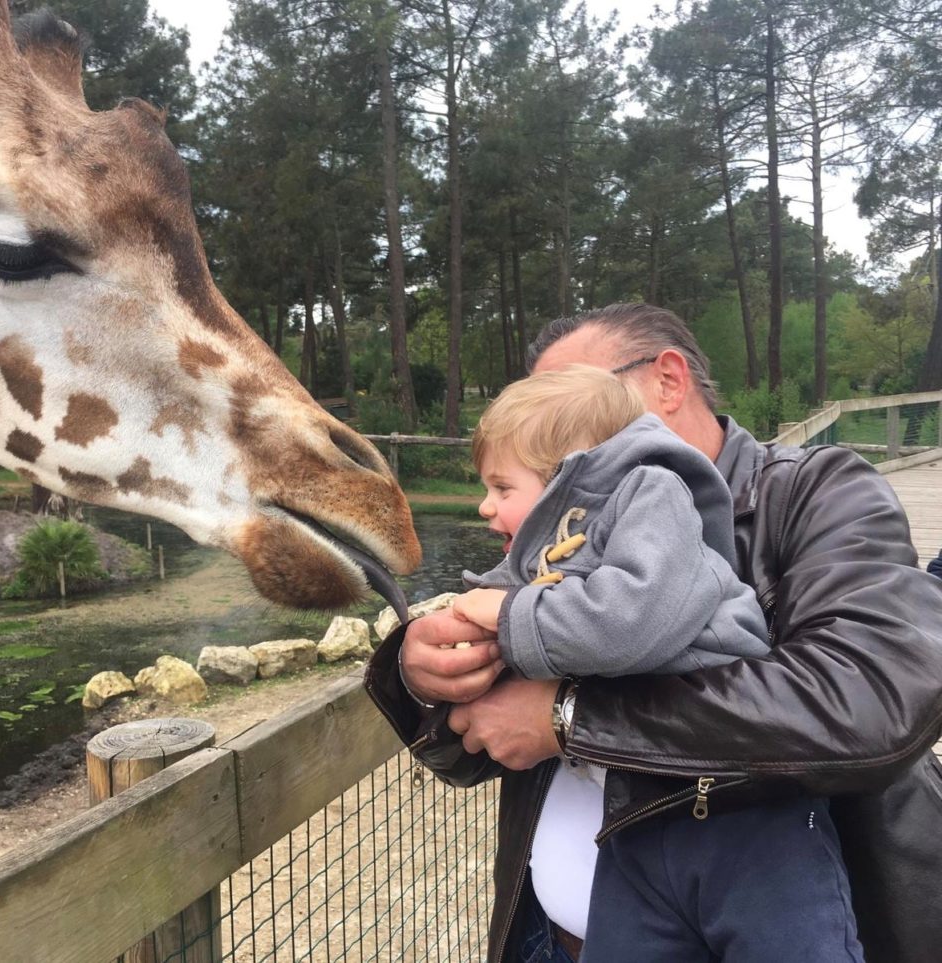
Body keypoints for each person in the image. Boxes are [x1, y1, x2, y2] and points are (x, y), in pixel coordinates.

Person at [364, 303, 942, 963]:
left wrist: (570, 715)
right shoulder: (561, 527)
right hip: (547, 937)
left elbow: (867, 703)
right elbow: (478, 746)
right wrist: (421, 672)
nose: (553, 444)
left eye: (573, 402)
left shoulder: (818, 493)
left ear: (668, 381)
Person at [445, 366, 862, 961]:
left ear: (570, 479)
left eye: (501, 488)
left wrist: (507, 617)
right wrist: (448, 639)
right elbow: (509, 604)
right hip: (636, 813)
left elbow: (628, 623)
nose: (485, 507)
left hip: (744, 806)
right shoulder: (558, 548)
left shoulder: (654, 494)